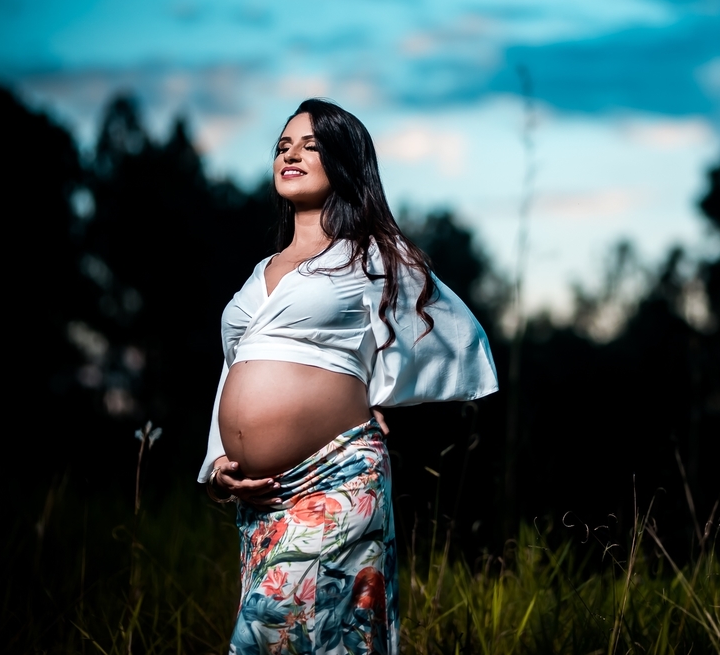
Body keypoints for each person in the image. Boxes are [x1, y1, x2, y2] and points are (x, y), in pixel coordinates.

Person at [197, 98, 498, 655]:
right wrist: (218, 466)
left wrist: (371, 392)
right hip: (261, 500)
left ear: (343, 162)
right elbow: (231, 370)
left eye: (310, 146)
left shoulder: (371, 255)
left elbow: (456, 334)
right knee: (290, 641)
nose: (291, 155)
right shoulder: (258, 274)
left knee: (270, 635)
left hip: (337, 477)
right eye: (283, 146)